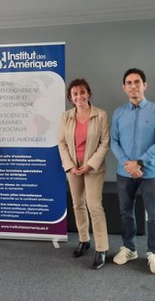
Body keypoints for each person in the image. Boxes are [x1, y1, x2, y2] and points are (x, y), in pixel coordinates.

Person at [110, 68, 155, 275]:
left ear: (145, 85)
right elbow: (114, 142)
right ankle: (129, 248)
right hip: (124, 173)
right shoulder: (119, 113)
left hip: (150, 173)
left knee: (154, 215)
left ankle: (154, 253)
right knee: (126, 212)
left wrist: (140, 163)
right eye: (129, 82)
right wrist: (129, 164)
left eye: (137, 82)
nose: (133, 86)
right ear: (124, 87)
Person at [58, 78, 110, 270]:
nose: (79, 96)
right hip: (73, 168)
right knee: (77, 204)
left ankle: (102, 248)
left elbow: (105, 143)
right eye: (75, 94)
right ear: (71, 98)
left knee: (94, 206)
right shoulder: (66, 116)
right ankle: (84, 240)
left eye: (82, 92)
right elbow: (61, 142)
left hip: (93, 168)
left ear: (88, 93)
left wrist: (90, 164)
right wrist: (70, 165)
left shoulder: (101, 115)